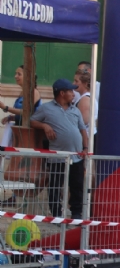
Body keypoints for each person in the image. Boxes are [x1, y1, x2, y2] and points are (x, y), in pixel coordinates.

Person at [30, 79, 89, 219]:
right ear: (62, 93)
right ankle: (56, 214)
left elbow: (82, 130)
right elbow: (32, 121)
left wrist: (85, 148)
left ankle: (76, 213)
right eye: (70, 91)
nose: (73, 94)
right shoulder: (46, 108)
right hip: (58, 157)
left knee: (77, 186)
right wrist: (45, 126)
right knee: (55, 186)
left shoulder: (75, 110)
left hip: (76, 156)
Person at [0, 65, 42, 148]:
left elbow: (27, 112)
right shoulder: (22, 93)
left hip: (29, 133)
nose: (16, 76)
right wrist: (12, 117)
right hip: (19, 130)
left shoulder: (33, 92)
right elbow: (21, 113)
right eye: (16, 74)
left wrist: (6, 108)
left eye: (19, 74)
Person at [73, 71, 96, 136]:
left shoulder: (85, 100)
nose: (73, 83)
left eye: (76, 81)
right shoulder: (84, 97)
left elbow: (83, 122)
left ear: (85, 84)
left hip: (87, 137)